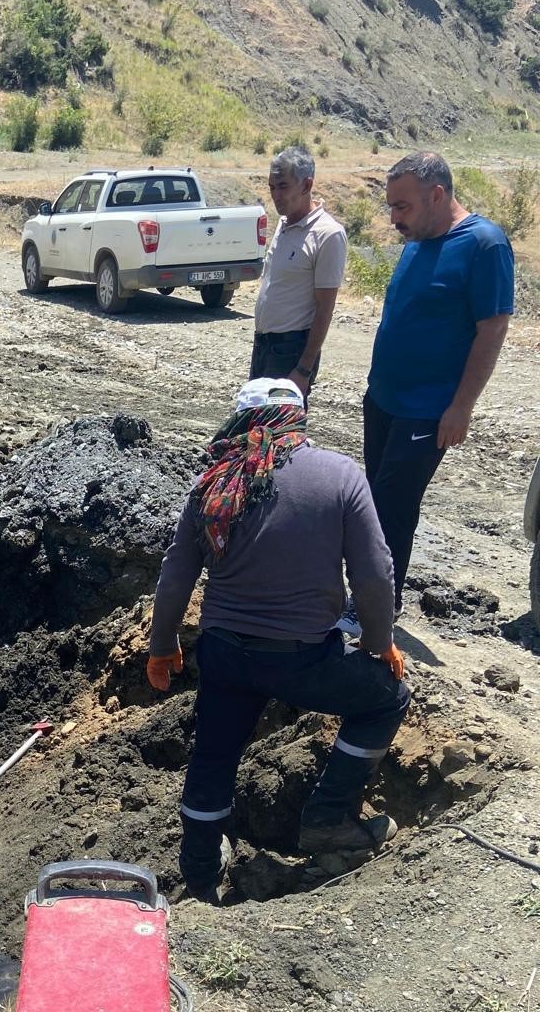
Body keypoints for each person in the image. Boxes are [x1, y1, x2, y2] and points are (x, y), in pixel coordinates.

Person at [145, 378, 410, 903]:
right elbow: (375, 572)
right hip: (303, 660)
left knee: (214, 755)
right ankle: (328, 819)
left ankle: (200, 871)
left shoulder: (215, 484)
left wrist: (161, 646)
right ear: (299, 420)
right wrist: (380, 641)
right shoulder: (339, 475)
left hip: (224, 654)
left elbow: (175, 574)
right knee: (389, 699)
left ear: (241, 424)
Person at [341, 151, 513, 633]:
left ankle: (377, 608)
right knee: (373, 500)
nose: (394, 218)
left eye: (403, 207)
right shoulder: (418, 240)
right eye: (391, 207)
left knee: (393, 505)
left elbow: (493, 328)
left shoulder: (483, 244)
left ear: (437, 195)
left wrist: (461, 407)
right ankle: (370, 595)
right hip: (384, 400)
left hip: (427, 410)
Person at [250, 147, 348, 402]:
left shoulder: (328, 234)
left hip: (290, 350)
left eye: (283, 186)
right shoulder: (284, 223)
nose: (275, 196)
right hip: (264, 345)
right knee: (255, 429)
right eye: (272, 187)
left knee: (280, 432)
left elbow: (325, 308)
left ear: (306, 185)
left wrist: (303, 369)